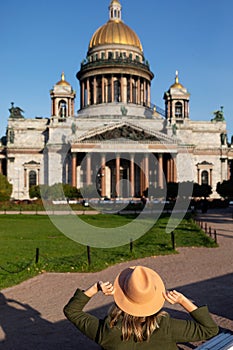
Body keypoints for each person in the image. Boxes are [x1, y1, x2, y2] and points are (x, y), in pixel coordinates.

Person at [64, 265, 218, 349]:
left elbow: (72, 311)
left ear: (121, 296)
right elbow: (210, 330)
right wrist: (183, 300)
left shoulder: (107, 331)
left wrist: (94, 289)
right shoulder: (166, 327)